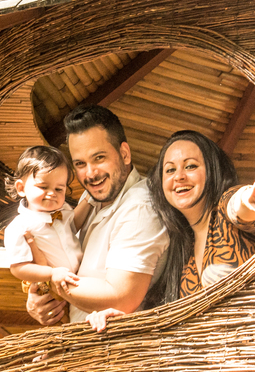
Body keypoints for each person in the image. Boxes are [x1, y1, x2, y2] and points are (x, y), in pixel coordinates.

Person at [86, 130, 255, 331]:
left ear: (212, 171)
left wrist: (251, 201)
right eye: (170, 170)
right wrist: (125, 319)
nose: (179, 176)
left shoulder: (224, 208)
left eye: (190, 166)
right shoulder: (180, 250)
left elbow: (240, 209)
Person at [25, 107, 168, 325]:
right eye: (80, 164)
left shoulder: (141, 206)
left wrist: (48, 279)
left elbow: (121, 298)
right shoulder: (95, 195)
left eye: (99, 158)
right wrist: (40, 298)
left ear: (125, 153)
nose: (90, 173)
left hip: (119, 352)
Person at [3, 145, 91, 294]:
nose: (52, 194)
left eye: (59, 189)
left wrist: (89, 199)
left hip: (81, 278)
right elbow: (18, 268)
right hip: (51, 286)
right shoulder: (19, 227)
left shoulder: (63, 210)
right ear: (21, 188)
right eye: (43, 187)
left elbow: (73, 224)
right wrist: (51, 273)